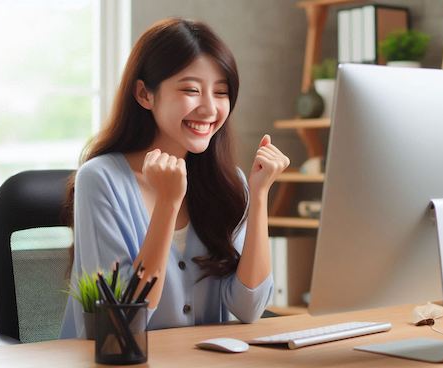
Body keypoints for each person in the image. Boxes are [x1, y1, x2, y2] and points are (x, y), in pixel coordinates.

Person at [60, 17, 290, 338]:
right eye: (191, 90)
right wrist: (168, 203)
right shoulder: (99, 180)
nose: (209, 108)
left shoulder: (228, 183)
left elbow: (249, 308)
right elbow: (123, 323)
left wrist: (260, 194)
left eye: (221, 92)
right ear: (145, 94)